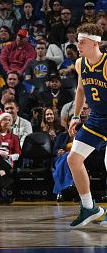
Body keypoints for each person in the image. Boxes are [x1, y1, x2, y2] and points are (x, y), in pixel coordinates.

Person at [66, 23, 107, 227]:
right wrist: (75, 116)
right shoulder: (80, 63)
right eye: (78, 41)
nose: (78, 44)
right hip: (98, 118)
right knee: (73, 159)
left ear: (94, 43)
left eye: (82, 42)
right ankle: (90, 207)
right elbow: (81, 90)